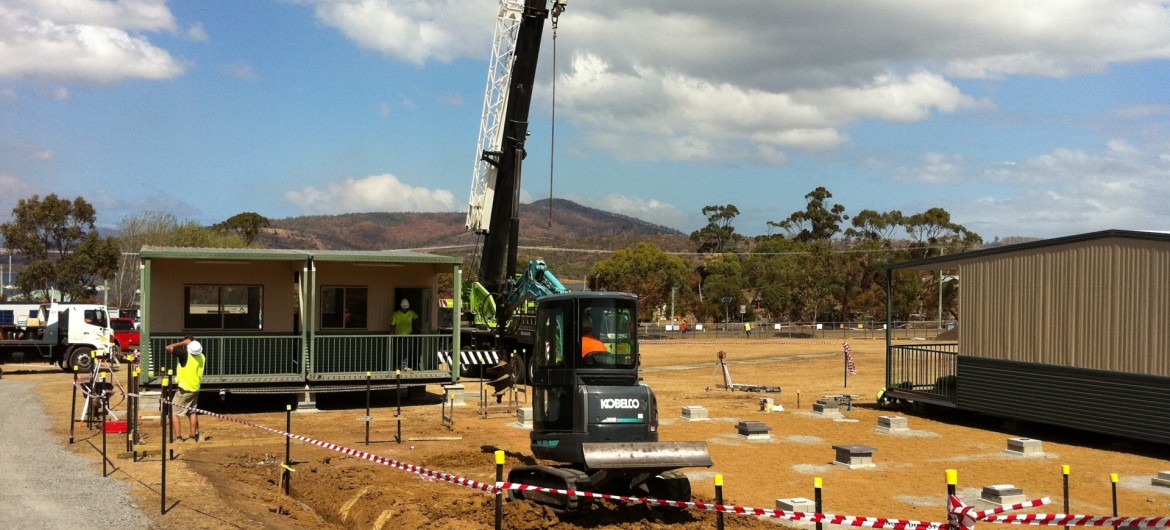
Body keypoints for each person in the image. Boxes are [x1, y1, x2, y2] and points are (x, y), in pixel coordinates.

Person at [166, 335, 206, 442]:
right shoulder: (202, 356)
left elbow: (169, 347)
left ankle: (178, 438)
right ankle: (193, 437)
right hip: (195, 388)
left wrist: (183, 343)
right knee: (192, 412)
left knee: (174, 412)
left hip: (184, 389)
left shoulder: (185, 354)